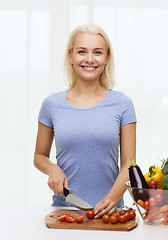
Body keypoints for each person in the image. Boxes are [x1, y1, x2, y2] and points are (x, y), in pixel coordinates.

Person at [34, 23, 136, 218]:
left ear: (107, 58)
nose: (89, 59)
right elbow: (39, 156)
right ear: (70, 56)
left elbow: (130, 165)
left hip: (111, 212)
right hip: (64, 209)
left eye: (97, 52)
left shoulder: (123, 104)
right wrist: (52, 169)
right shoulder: (51, 104)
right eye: (82, 51)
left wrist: (112, 199)